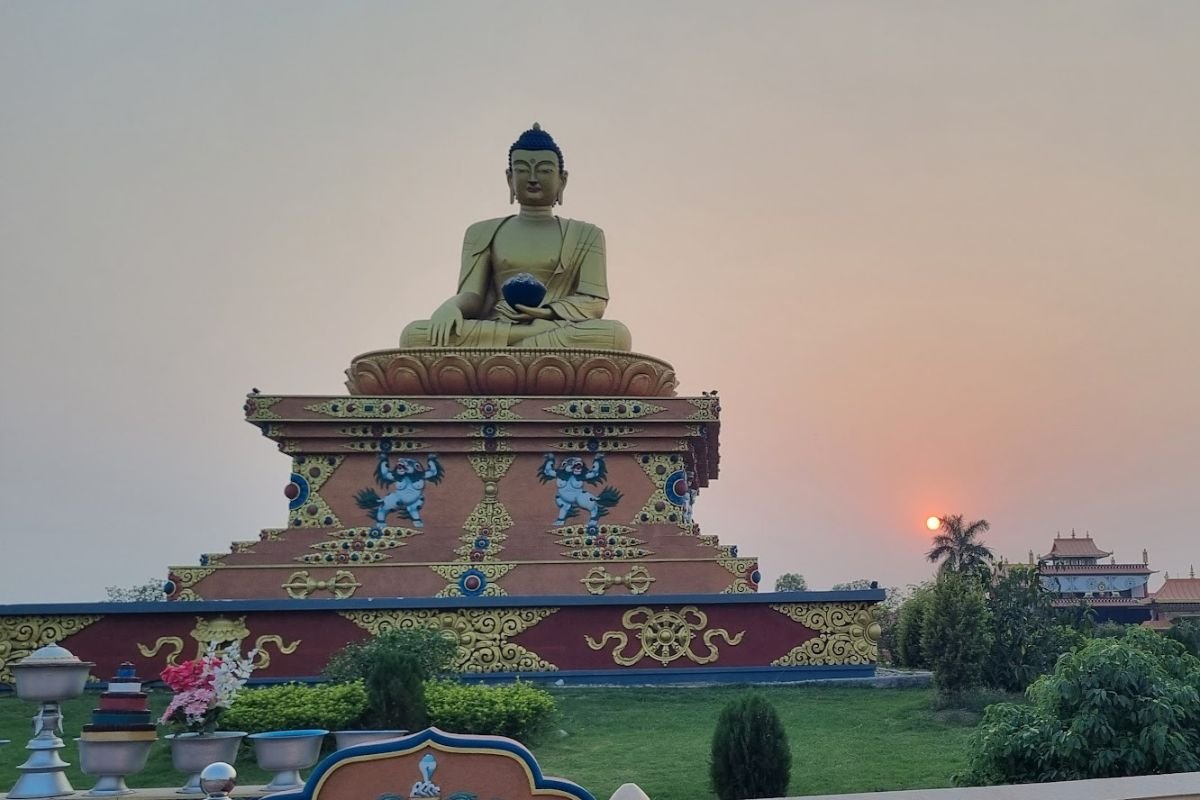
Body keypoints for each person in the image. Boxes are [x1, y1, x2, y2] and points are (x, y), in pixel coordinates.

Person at [400, 124, 631, 350]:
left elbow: (594, 301)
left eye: (544, 170)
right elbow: (472, 295)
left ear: (562, 180)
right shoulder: (481, 232)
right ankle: (527, 340)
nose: (532, 178)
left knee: (616, 335)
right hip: (499, 324)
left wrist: (547, 312)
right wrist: (450, 307)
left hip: (556, 324)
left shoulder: (587, 234)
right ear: (509, 178)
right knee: (414, 334)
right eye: (522, 169)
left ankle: (508, 348)